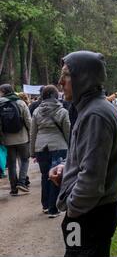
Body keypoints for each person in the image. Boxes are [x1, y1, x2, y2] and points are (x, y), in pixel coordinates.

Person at [49, 50, 117, 257]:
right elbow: (90, 161)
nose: (60, 82)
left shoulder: (95, 115)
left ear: (83, 78)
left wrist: (73, 209)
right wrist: (67, 169)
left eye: (66, 75)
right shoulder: (93, 110)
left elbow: (92, 179)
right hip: (92, 212)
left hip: (89, 215)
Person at [30, 85, 70, 218]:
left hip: (41, 147)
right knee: (56, 177)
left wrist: (32, 151)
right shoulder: (62, 111)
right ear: (56, 96)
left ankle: (45, 205)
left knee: (44, 176)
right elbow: (67, 132)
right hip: (58, 146)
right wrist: (71, 147)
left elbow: (33, 133)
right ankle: (54, 208)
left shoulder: (36, 112)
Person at [0, 84, 32, 195]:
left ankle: (13, 189)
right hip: (22, 138)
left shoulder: (0, 104)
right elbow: (28, 121)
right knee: (25, 160)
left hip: (7, 139)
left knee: (11, 163)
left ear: (3, 91)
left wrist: (2, 138)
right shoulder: (21, 103)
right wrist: (30, 135)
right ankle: (22, 182)